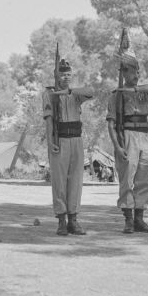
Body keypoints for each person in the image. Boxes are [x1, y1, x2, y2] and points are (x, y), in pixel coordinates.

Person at [107, 52, 148, 234]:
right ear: (123, 73)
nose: (136, 75)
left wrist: (137, 90)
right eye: (132, 72)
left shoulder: (144, 93)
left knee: (144, 179)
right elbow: (111, 123)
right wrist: (117, 146)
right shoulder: (117, 95)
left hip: (145, 136)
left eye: (138, 72)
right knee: (127, 179)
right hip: (128, 136)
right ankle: (128, 219)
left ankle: (140, 218)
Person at [42, 58, 94, 236]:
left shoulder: (75, 94)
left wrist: (68, 91)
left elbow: (91, 92)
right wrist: (50, 142)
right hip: (60, 139)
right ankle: (62, 221)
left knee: (76, 181)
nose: (66, 77)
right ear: (56, 75)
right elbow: (49, 120)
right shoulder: (49, 93)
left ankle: (73, 220)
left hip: (76, 139)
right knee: (59, 182)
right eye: (62, 74)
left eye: (69, 74)